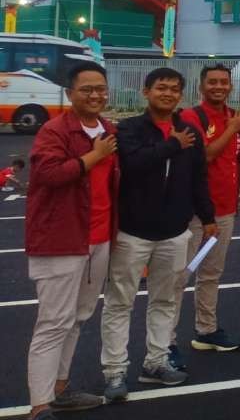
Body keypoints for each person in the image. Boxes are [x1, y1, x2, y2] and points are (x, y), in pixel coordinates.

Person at [103, 68, 215, 400]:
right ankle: (114, 372)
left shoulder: (189, 131)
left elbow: (199, 179)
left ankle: (156, 362)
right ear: (146, 91)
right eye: (161, 88)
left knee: (165, 300)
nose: (167, 93)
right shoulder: (130, 129)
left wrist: (207, 217)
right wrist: (171, 145)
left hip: (174, 232)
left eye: (174, 89)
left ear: (182, 94)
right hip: (133, 232)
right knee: (119, 302)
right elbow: (135, 164)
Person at [24, 62, 118, 420]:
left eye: (100, 88)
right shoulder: (55, 130)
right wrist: (95, 155)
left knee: (78, 317)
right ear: (70, 93)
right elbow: (48, 174)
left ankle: (60, 389)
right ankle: (40, 405)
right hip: (60, 240)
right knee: (53, 322)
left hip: (97, 240)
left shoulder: (108, 129)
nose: (95, 95)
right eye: (87, 89)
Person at [171, 65, 240, 360]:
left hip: (224, 210)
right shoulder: (191, 117)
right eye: (212, 82)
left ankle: (206, 329)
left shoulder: (233, 116)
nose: (218, 86)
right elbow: (206, 155)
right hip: (195, 212)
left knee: (211, 273)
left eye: (224, 82)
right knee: (179, 276)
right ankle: (167, 342)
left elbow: (235, 161)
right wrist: (231, 130)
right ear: (201, 86)